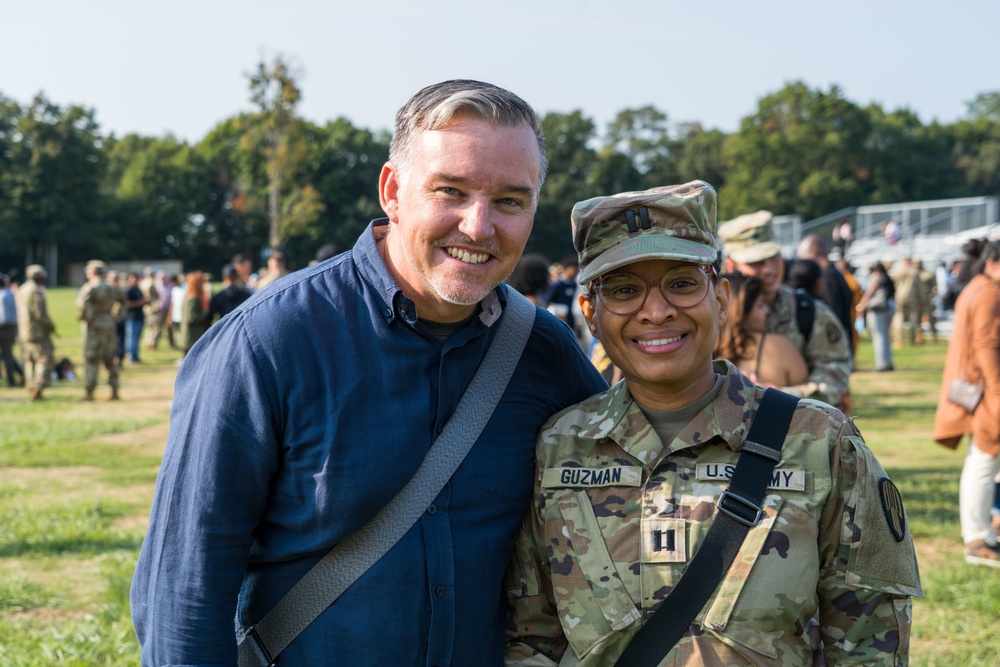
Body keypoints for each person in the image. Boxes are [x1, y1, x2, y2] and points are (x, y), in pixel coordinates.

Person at [130, 79, 608, 665]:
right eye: (451, 191)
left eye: (510, 200)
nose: (480, 226)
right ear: (393, 191)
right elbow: (185, 589)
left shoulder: (545, 353)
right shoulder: (268, 341)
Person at [505, 181, 922, 666]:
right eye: (623, 290)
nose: (656, 311)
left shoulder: (821, 444)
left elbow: (870, 644)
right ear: (590, 315)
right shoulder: (557, 447)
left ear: (721, 299)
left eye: (682, 283)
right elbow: (529, 638)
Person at [718, 211, 851, 408]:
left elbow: (835, 373)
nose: (769, 269)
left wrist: (780, 396)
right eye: (756, 262)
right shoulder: (712, 314)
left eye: (773, 256)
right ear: (730, 265)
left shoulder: (810, 312)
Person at [933, 240, 1000, 567]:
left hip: (981, 388)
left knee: (986, 461)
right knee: (984, 460)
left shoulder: (978, 286)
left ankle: (986, 528)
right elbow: (988, 345)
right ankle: (976, 538)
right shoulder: (989, 292)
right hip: (989, 390)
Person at [715, 272, 807, 388]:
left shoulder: (698, 352)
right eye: (760, 306)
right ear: (740, 314)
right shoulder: (779, 347)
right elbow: (807, 400)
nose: (767, 311)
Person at [796, 234, 854, 353]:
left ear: (813, 252)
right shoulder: (834, 274)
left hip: (834, 350)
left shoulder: (827, 277)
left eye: (801, 258)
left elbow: (833, 315)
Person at [77, 260, 123, 401]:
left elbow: (82, 305)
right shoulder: (111, 287)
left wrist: (87, 317)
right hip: (109, 324)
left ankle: (89, 392)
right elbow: (123, 301)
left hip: (94, 327)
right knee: (109, 359)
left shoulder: (89, 287)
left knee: (92, 358)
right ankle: (114, 389)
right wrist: (116, 315)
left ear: (91, 272)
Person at [16, 265, 56, 401]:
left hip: (23, 331)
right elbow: (40, 314)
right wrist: (51, 326)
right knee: (43, 359)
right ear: (39, 277)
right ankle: (37, 388)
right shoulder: (36, 291)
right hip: (37, 332)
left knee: (29, 361)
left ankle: (30, 386)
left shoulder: (22, 289)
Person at [857, 261, 896, 372]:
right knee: (884, 337)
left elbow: (869, 293)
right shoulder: (887, 278)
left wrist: (861, 305)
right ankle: (888, 362)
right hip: (887, 309)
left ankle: (881, 364)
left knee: (878, 337)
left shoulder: (877, 277)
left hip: (877, 310)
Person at [0, 273, 25, 388]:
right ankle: (21, 373)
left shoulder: (2, 296)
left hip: (4, 328)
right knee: (8, 354)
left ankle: (11, 380)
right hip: (13, 327)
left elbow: (3, 317)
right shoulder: (11, 293)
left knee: (7, 356)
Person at [179, 270, 211, 354]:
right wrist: (206, 312)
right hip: (191, 339)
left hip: (191, 339)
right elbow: (192, 318)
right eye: (201, 282)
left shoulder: (190, 296)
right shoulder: (193, 299)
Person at [123, 272, 147, 363]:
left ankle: (136, 356)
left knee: (137, 339)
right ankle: (132, 357)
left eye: (137, 278)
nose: (135, 280)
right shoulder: (128, 291)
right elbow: (128, 304)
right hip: (131, 318)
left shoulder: (139, 290)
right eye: (134, 278)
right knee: (131, 339)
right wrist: (140, 302)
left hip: (139, 317)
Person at [140, 267, 161, 350]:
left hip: (145, 307)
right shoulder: (151, 283)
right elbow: (154, 296)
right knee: (155, 327)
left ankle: (148, 342)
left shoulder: (142, 283)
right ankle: (152, 343)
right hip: (152, 307)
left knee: (149, 327)